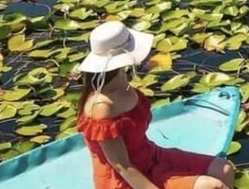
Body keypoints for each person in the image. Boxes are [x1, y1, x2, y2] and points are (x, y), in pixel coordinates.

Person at [76, 21, 235, 189]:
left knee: (223, 168)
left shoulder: (124, 83)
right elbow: (121, 165)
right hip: (126, 179)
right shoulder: (102, 106)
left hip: (151, 156)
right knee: (211, 187)